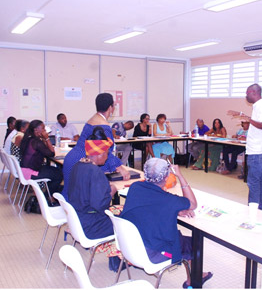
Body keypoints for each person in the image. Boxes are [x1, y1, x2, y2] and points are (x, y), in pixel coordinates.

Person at [120, 158, 213, 288]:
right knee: (194, 242)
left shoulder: (135, 187)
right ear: (166, 176)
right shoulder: (169, 200)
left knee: (182, 239)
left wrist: (175, 211)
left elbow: (149, 207)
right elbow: (192, 204)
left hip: (129, 245)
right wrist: (180, 176)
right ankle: (193, 280)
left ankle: (196, 274)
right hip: (152, 252)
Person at [62, 93, 130, 200]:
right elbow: (104, 152)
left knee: (71, 195)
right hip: (83, 163)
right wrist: (120, 167)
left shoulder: (91, 120)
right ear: (110, 108)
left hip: (72, 159)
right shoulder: (103, 126)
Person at [227, 83, 262, 210]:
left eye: (247, 93)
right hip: (255, 150)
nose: (245, 96)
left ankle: (253, 210)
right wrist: (245, 116)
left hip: (257, 151)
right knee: (259, 181)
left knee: (253, 182)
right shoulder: (257, 107)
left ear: (254, 93)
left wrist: (246, 117)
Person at [67, 126, 117, 239]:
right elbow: (100, 205)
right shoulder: (95, 172)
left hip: (77, 220)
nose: (107, 157)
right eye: (107, 153)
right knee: (129, 221)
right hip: (92, 226)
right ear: (99, 153)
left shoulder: (77, 166)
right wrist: (111, 191)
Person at [20, 120, 63, 199]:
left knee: (55, 171)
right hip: (30, 173)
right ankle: (48, 197)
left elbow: (45, 150)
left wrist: (43, 138)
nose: (45, 130)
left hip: (25, 170)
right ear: (36, 130)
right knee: (59, 174)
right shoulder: (36, 142)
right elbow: (51, 153)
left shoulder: (30, 139)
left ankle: (51, 193)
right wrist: (47, 138)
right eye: (43, 128)